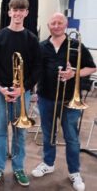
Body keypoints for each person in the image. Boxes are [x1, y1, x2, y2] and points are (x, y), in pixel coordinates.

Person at [31, 12, 96, 191]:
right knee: (48, 134)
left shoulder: (76, 44)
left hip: (70, 100)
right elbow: (36, 70)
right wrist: (34, 92)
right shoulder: (41, 46)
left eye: (60, 23)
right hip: (46, 98)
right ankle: (48, 163)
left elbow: (91, 67)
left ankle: (74, 172)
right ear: (48, 25)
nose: (57, 26)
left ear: (66, 25)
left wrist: (74, 73)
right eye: (53, 23)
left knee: (72, 138)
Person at [0, 0, 41, 186]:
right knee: (1, 131)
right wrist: (1, 88)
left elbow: (36, 69)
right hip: (2, 92)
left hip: (22, 93)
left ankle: (18, 168)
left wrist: (22, 88)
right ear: (9, 12)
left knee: (20, 133)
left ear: (26, 13)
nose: (17, 13)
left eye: (21, 10)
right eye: (14, 10)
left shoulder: (32, 39)